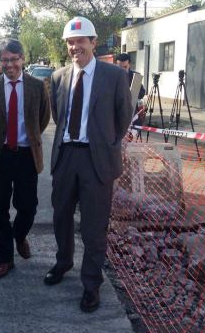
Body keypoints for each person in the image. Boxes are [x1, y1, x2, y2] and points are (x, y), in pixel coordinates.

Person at [46, 16, 132, 313]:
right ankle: (63, 262)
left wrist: (104, 143)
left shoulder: (114, 76)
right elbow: (58, 115)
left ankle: (91, 284)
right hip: (66, 156)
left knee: (94, 227)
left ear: (93, 42)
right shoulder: (58, 77)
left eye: (80, 41)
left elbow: (123, 117)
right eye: (70, 42)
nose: (75, 47)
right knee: (61, 217)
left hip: (96, 161)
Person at [0, 39, 50, 279]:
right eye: (5, 60)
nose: (9, 65)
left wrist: (28, 137)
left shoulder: (37, 87)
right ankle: (5, 259)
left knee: (28, 207)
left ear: (22, 59)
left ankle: (19, 236)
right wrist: (2, 138)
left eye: (14, 59)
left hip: (26, 155)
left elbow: (43, 118)